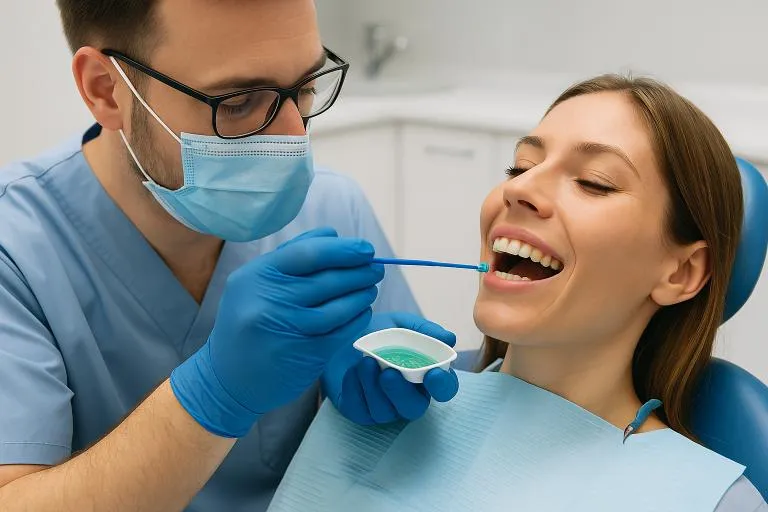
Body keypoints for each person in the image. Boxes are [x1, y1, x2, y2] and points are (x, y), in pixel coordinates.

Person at [0, 1, 459, 510]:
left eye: (305, 87)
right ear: (106, 89)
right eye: (238, 103)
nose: (294, 138)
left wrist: (376, 401)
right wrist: (214, 393)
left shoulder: (331, 206)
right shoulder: (16, 251)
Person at [268, 75, 768, 511]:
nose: (518, 189)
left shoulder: (710, 500)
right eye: (520, 166)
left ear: (681, 271)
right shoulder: (379, 401)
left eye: (594, 183)